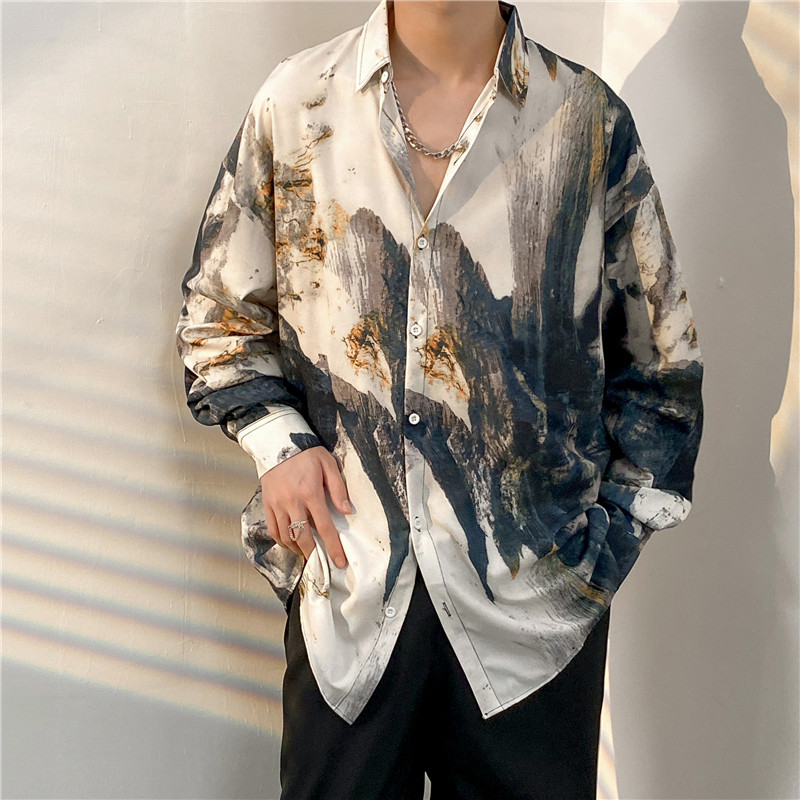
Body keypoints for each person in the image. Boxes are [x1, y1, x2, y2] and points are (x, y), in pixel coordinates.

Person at [176, 0, 704, 797]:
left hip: (533, 621)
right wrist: (279, 444)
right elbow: (218, 318)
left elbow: (662, 366)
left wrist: (595, 558)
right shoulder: (297, 105)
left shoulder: (587, 123)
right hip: (353, 593)